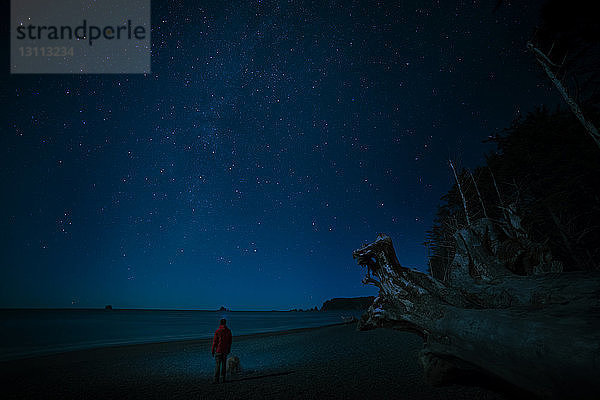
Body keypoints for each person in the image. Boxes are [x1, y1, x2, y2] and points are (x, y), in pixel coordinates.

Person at [211, 318, 232, 383]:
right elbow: (230, 342)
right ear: (225, 323)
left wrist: (213, 350)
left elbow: (215, 341)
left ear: (220, 323)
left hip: (218, 350)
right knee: (224, 365)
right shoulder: (228, 331)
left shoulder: (218, 331)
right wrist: (228, 349)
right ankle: (223, 379)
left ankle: (216, 379)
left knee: (217, 365)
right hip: (225, 350)